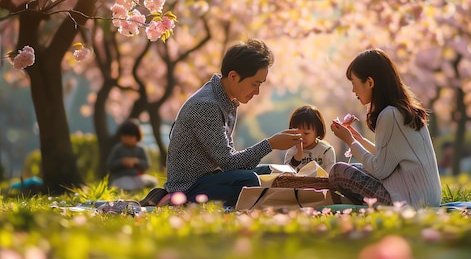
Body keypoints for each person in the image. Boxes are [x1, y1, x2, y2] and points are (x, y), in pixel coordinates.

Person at [139, 39, 302, 207]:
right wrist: (270, 144)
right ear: (233, 76)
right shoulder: (207, 106)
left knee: (270, 171)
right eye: (255, 84)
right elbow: (229, 163)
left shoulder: (227, 101)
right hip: (189, 186)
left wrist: (270, 145)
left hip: (212, 177)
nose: (257, 91)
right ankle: (186, 204)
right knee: (249, 180)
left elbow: (231, 160)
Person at [328, 48, 442, 209]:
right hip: (426, 196)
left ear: (369, 82)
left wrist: (350, 141)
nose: (353, 90)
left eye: (354, 83)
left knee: (337, 172)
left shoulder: (390, 115)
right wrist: (358, 139)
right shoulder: (401, 111)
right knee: (354, 168)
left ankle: (352, 203)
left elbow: (379, 169)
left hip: (409, 201)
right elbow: (387, 158)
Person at [106, 120, 158, 191]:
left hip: (137, 177)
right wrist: (121, 162)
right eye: (125, 136)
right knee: (123, 184)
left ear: (137, 136)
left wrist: (137, 162)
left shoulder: (140, 149)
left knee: (153, 181)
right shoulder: (118, 148)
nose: (127, 139)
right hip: (120, 177)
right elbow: (110, 165)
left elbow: (147, 165)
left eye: (130, 137)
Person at [284, 105, 336, 173]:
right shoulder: (292, 151)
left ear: (317, 131)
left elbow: (330, 174)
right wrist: (297, 156)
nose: (301, 137)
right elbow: (286, 174)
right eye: (296, 133)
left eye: (306, 133)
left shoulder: (326, 150)